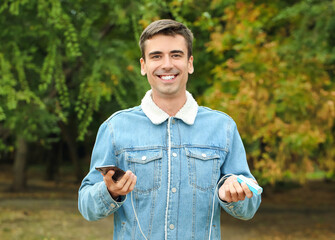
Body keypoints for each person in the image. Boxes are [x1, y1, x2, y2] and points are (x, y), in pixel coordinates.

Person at [78, 19, 261, 240]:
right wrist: (109, 192)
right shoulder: (115, 128)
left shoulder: (223, 127)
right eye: (156, 56)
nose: (167, 64)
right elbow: (87, 206)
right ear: (143, 65)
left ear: (190, 63)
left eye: (176, 55)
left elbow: (250, 207)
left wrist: (234, 193)